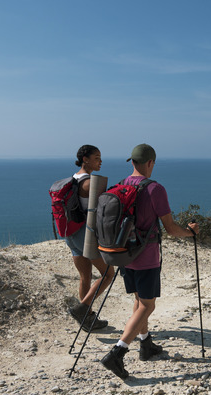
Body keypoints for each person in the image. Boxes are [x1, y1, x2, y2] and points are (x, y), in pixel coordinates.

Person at [100, 143, 198, 379]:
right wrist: (191, 232)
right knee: (148, 305)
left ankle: (146, 344)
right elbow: (172, 229)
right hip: (146, 257)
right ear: (151, 163)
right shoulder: (155, 189)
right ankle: (117, 352)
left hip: (124, 254)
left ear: (131, 162)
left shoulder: (122, 184)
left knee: (139, 302)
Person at [65, 145, 115, 330]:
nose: (100, 161)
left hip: (71, 234)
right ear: (85, 159)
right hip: (85, 235)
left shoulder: (73, 179)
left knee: (84, 277)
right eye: (96, 157)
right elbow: (104, 208)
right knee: (108, 274)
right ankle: (83, 308)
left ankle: (87, 319)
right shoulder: (89, 183)